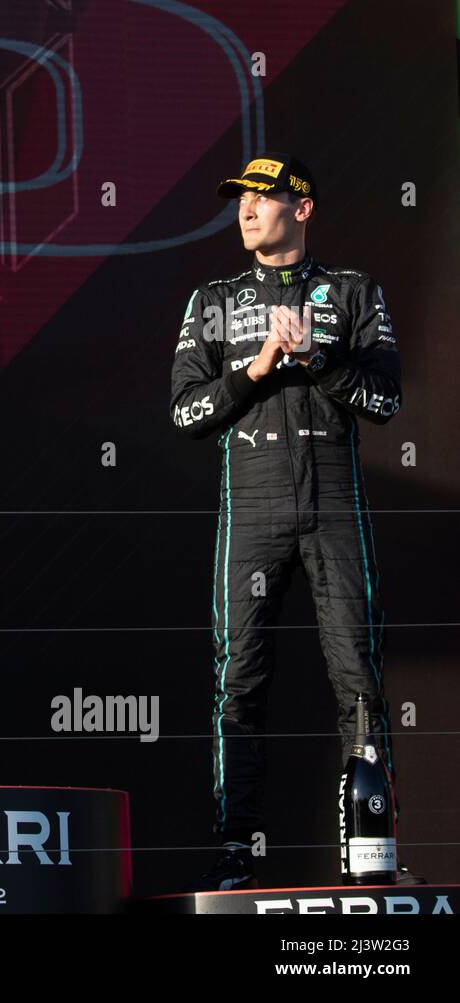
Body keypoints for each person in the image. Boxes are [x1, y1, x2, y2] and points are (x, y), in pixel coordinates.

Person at [170, 153, 408, 890]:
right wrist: (262, 363)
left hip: (334, 496)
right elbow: (184, 413)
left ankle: (373, 844)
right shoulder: (211, 300)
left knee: (357, 677)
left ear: (302, 208)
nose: (245, 209)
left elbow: (386, 401)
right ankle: (236, 847)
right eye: (239, 198)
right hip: (255, 502)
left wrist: (320, 360)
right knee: (239, 678)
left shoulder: (354, 291)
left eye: (262, 197)